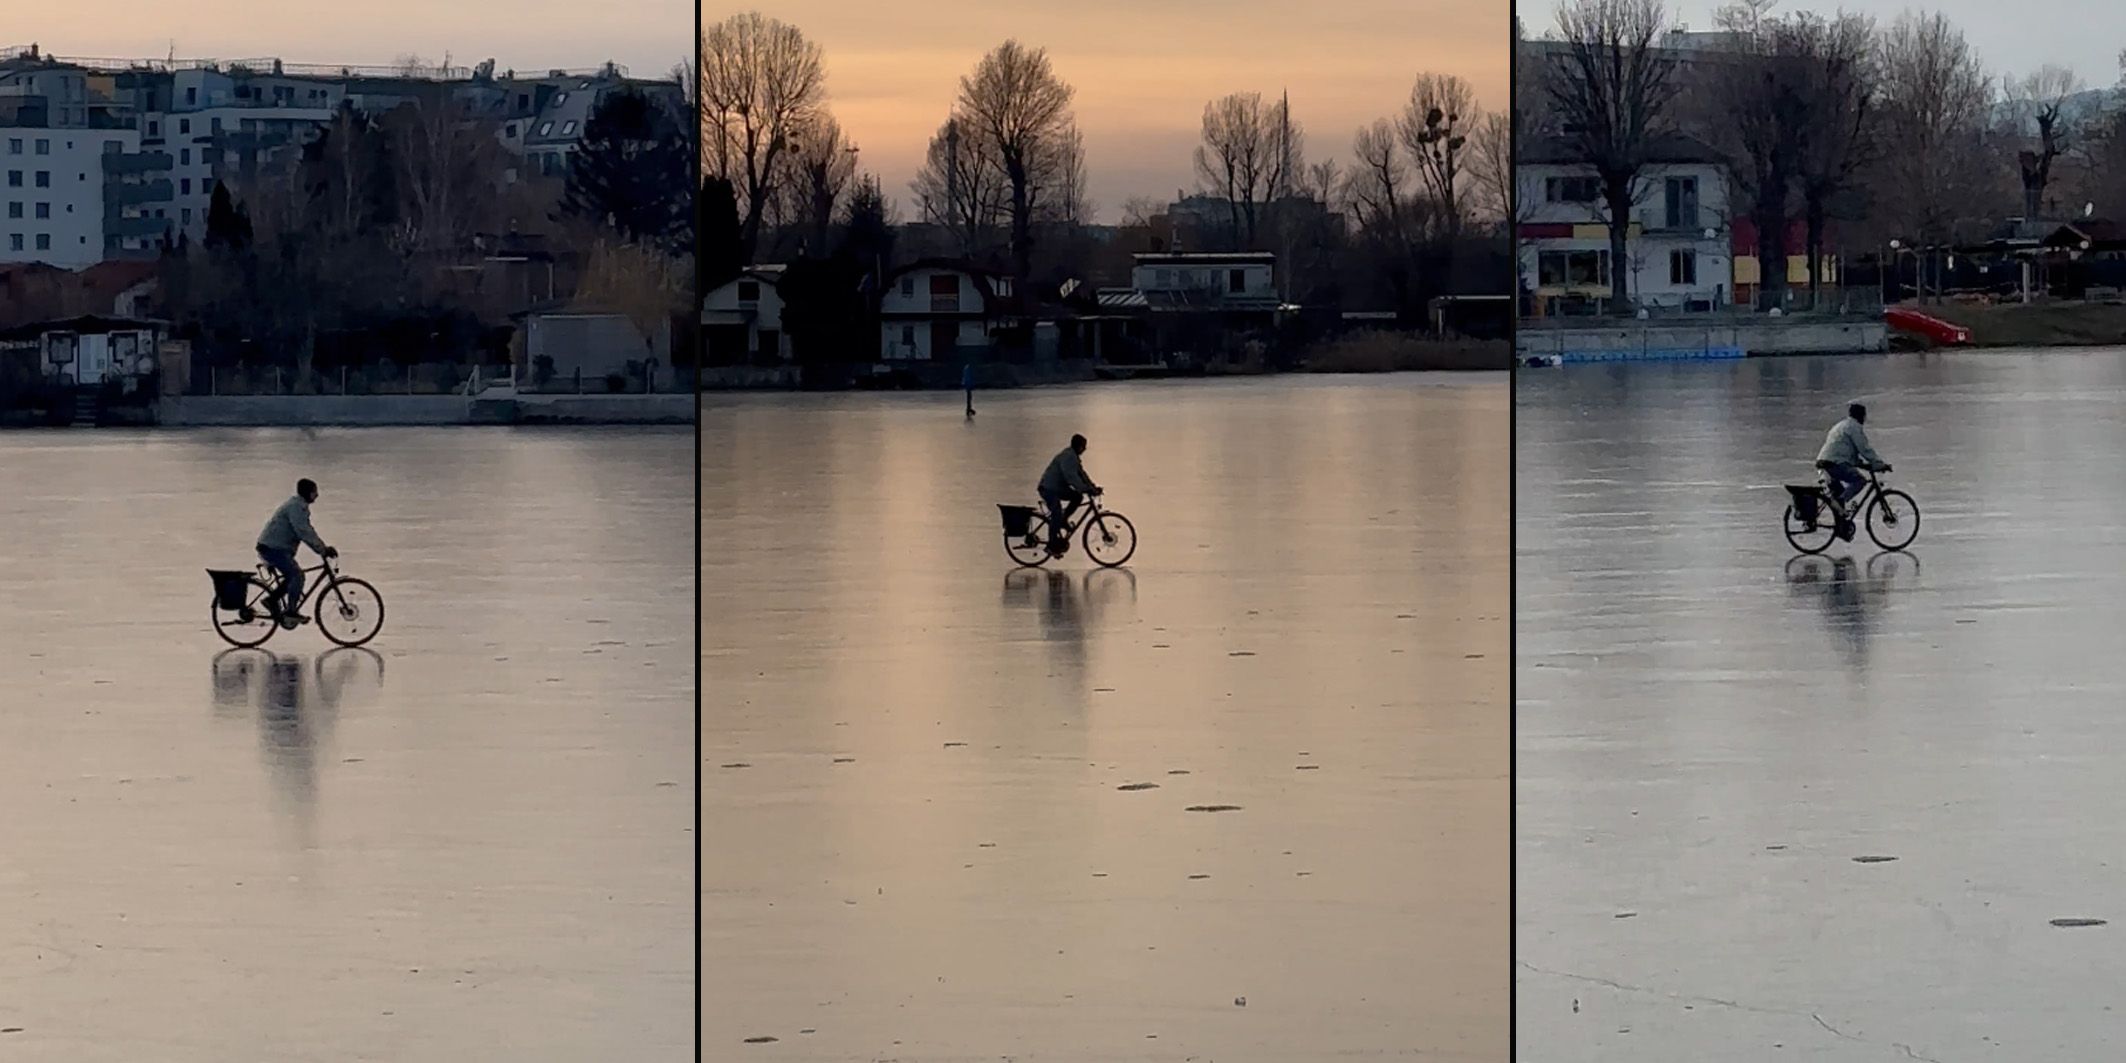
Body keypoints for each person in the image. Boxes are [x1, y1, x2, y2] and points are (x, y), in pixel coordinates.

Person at [257, 478, 335, 628]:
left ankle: (271, 600)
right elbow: (303, 531)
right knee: (297, 575)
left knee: (291, 575)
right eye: (314, 492)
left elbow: (307, 531)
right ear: (308, 493)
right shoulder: (296, 508)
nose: (317, 495)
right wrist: (322, 550)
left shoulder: (298, 506)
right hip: (272, 548)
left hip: (273, 547)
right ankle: (291, 612)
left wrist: (321, 548)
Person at [1816, 402, 1889, 516]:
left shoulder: (1841, 425)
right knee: (1859, 481)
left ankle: (1841, 527)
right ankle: (1840, 504)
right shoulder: (1854, 427)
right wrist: (1879, 464)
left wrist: (1862, 464)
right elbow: (1864, 449)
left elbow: (1846, 452)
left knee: (1839, 493)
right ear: (1861, 416)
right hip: (1835, 463)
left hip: (1823, 462)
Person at [1038, 434, 1100, 554]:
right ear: (1079, 446)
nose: (1085, 449)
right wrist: (1085, 489)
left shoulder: (1073, 457)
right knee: (1056, 512)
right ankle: (1051, 544)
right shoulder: (1068, 457)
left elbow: (1081, 474)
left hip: (1057, 488)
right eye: (1083, 447)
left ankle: (1063, 519)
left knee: (1077, 497)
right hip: (1048, 489)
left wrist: (1092, 487)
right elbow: (1071, 477)